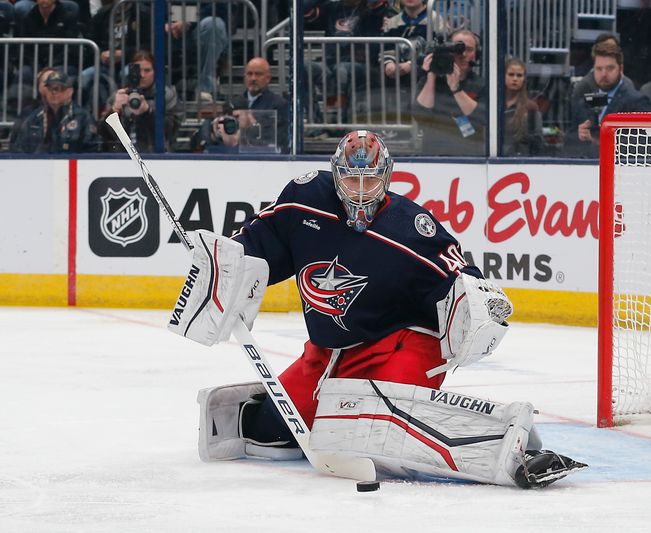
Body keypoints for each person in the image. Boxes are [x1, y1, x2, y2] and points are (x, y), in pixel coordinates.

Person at [169, 130, 587, 488]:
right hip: (328, 353)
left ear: (386, 176)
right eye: (352, 179)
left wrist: (479, 302)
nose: (362, 190)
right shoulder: (303, 200)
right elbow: (258, 245)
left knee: (381, 439)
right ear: (336, 174)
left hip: (403, 343)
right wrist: (223, 262)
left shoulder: (410, 228)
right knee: (266, 434)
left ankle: (518, 440)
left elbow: (460, 277)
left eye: (371, 180)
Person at [571, 40, 651, 158]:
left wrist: (597, 142)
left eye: (609, 68)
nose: (603, 74)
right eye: (599, 69)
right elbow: (567, 143)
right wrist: (578, 136)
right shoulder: (585, 102)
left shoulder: (637, 102)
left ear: (621, 69)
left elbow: (642, 146)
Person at [414, 29, 485, 156]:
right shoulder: (430, 81)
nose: (462, 54)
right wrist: (431, 76)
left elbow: (480, 117)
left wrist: (456, 89)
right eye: (457, 48)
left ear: (476, 55)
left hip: (471, 154)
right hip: (433, 153)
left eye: (468, 49)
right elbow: (420, 115)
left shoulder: (481, 84)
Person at [101, 50, 180, 152]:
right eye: (138, 70)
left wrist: (147, 112)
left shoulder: (166, 95)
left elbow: (171, 130)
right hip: (123, 156)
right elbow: (103, 134)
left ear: (155, 72)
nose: (142, 75)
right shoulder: (120, 96)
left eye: (147, 70)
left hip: (157, 155)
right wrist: (114, 110)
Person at [10, 69, 98, 153]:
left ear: (70, 92)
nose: (53, 92)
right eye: (50, 89)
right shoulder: (34, 118)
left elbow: (92, 150)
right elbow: (20, 148)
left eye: (59, 89)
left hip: (71, 166)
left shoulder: (83, 118)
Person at [239, 57, 289, 153]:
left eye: (258, 74)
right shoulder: (234, 103)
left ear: (268, 78)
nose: (253, 78)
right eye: (249, 74)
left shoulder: (279, 104)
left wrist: (252, 126)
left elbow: (280, 141)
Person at [502, 57, 543, 157]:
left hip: (521, 160)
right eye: (511, 74)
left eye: (519, 75)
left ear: (524, 79)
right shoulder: (493, 105)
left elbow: (538, 142)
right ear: (503, 76)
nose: (515, 79)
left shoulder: (531, 107)